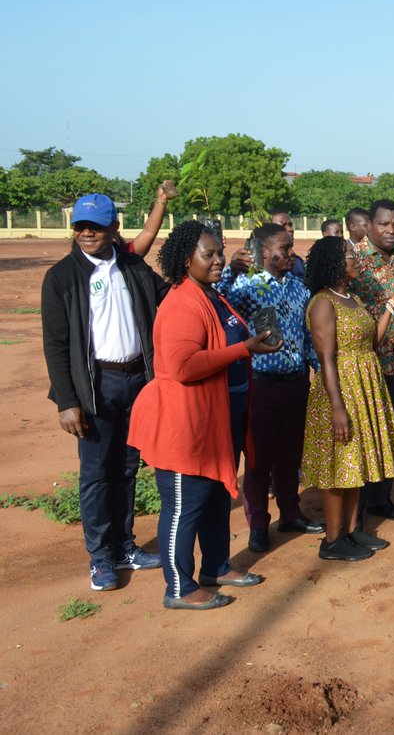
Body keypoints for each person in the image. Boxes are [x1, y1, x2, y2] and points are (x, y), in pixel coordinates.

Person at [128, 221, 278, 610]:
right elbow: (182, 367)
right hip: (185, 425)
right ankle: (179, 587)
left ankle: (216, 567)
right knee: (184, 506)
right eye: (207, 255)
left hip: (217, 420)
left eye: (218, 253)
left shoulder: (211, 295)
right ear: (184, 258)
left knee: (214, 496)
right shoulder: (181, 303)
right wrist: (244, 348)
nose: (217, 261)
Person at [41, 193, 169, 592]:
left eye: (95, 226)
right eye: (80, 226)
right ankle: (100, 558)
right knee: (97, 474)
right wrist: (67, 401)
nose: (85, 233)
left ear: (114, 230)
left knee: (128, 468)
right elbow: (56, 344)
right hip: (95, 386)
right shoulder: (62, 277)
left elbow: (166, 298)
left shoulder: (132, 266)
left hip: (136, 382)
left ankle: (125, 546)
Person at [216, 223, 323, 553]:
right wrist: (230, 273)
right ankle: (259, 525)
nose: (291, 253)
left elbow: (306, 338)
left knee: (291, 457)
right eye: (285, 248)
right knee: (259, 460)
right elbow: (219, 302)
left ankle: (291, 513)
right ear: (264, 252)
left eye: (291, 247)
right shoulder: (246, 286)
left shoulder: (299, 287)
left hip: (296, 384)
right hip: (261, 386)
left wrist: (318, 371)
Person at [301, 237, 394, 559]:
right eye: (350, 255)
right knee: (337, 468)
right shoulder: (323, 302)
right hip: (339, 392)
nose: (356, 259)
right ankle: (332, 540)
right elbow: (327, 359)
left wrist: (390, 308)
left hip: (364, 386)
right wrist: (337, 408)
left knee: (355, 463)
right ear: (334, 262)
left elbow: (371, 342)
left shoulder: (351, 298)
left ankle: (351, 531)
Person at [348, 199, 394, 521]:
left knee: (392, 435)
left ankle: (381, 499)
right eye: (385, 224)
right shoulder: (354, 261)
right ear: (369, 226)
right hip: (368, 365)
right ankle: (356, 513)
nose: (392, 230)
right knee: (366, 438)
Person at [267, 209, 305, 277]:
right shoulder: (251, 264)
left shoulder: (298, 262)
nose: (290, 229)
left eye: (290, 225)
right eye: (283, 226)